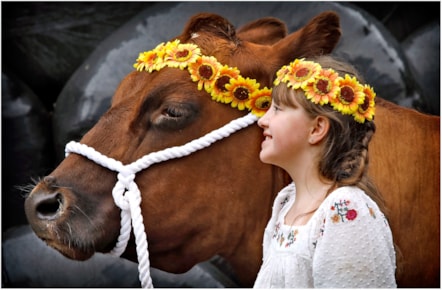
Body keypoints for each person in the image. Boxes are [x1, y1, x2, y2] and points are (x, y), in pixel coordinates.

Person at [253, 55, 397, 288]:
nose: (263, 120)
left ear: (317, 128)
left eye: (277, 109)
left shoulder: (345, 210)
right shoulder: (286, 202)